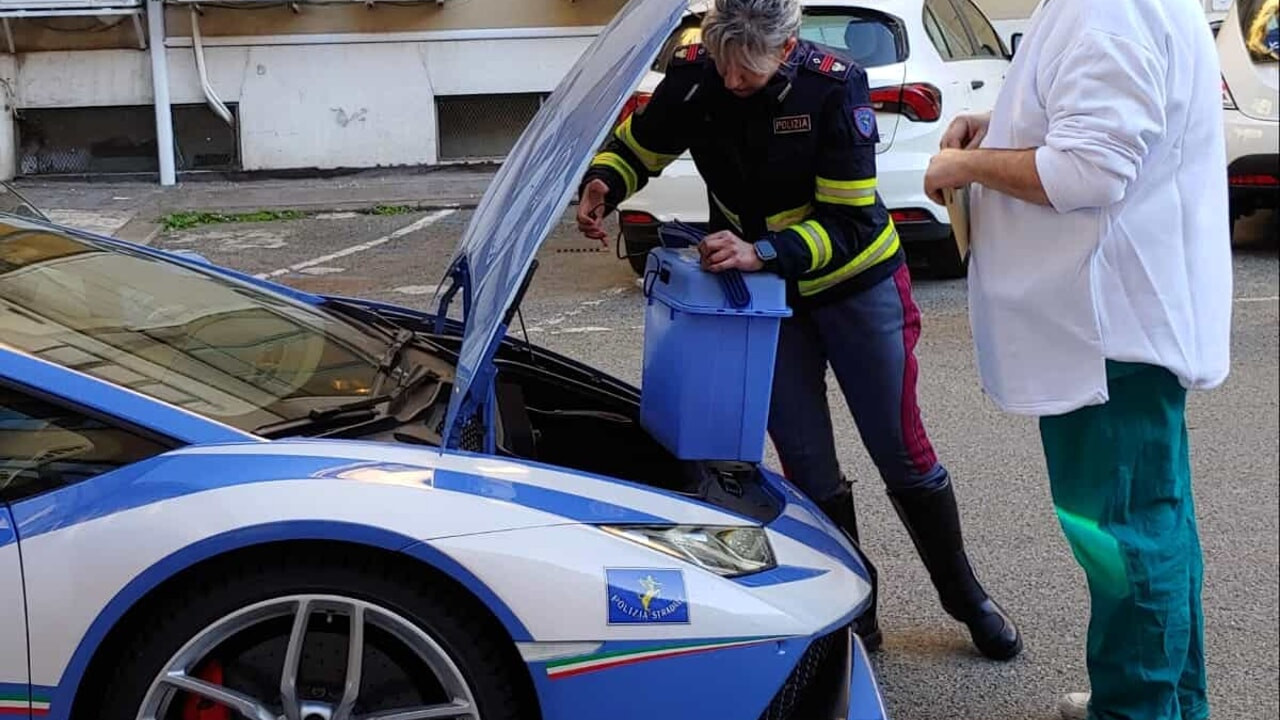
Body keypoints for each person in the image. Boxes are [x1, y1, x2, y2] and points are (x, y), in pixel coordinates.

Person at [575, 0, 1021, 662]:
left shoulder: (834, 86)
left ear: (785, 49)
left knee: (901, 451)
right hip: (768, 301)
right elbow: (644, 142)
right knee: (808, 466)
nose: (731, 84)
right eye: (723, 66)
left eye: (746, 74)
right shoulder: (699, 73)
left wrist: (762, 250)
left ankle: (965, 599)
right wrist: (603, 184)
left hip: (857, 287)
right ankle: (853, 610)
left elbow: (848, 225)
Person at [923, 0, 1233, 716]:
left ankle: (1137, 708)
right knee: (1154, 528)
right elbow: (1086, 122)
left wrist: (965, 163)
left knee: (1124, 542)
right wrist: (997, 131)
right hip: (1119, 329)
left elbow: (1089, 170)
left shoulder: (1106, 10)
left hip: (1106, 337)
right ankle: (1163, 702)